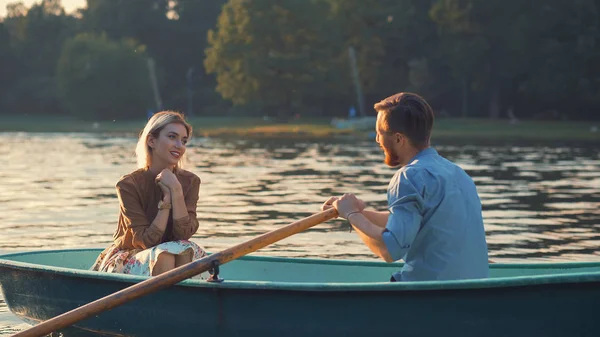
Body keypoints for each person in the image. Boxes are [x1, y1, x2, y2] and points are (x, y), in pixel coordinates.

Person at [322, 92, 489, 282]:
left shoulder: (408, 177)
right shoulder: (459, 174)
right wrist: (349, 210)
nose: (377, 140)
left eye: (380, 133)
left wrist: (353, 216)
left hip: (430, 295)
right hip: (474, 289)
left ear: (399, 139)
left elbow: (389, 249)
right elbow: (410, 220)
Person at [91, 111, 206, 277]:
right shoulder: (128, 185)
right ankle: (162, 301)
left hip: (174, 253)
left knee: (184, 250)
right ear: (151, 140)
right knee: (165, 254)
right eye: (172, 137)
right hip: (132, 255)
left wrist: (176, 190)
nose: (179, 145)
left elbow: (183, 234)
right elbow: (146, 241)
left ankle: (180, 301)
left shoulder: (191, 181)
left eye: (184, 141)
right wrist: (166, 202)